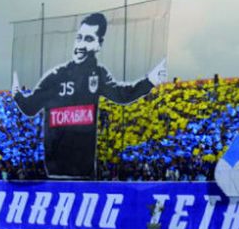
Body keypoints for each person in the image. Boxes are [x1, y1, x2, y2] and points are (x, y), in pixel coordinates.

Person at [12, 12, 167, 179]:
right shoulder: (55, 76)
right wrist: (16, 93)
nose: (80, 45)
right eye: (79, 38)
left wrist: (149, 81)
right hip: (55, 174)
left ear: (99, 45)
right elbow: (30, 107)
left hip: (84, 174)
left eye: (88, 39)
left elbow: (122, 95)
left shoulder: (98, 74)